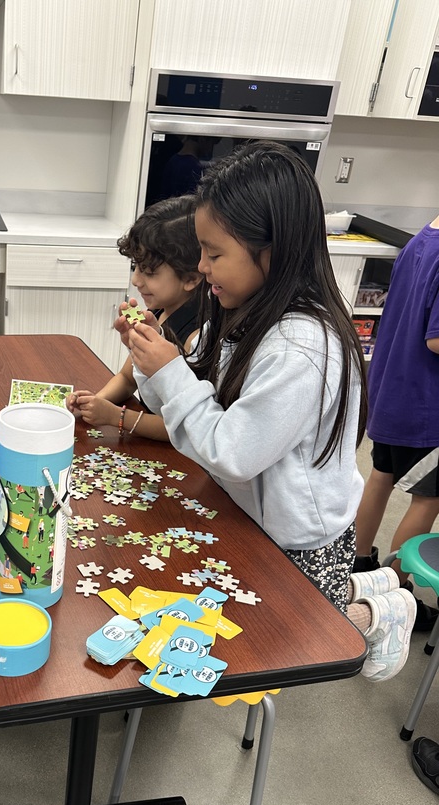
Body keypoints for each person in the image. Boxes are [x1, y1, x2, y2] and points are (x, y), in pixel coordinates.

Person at [123, 141, 417, 682]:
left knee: (292, 632)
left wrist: (167, 372)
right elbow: (192, 396)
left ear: (271, 249)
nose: (203, 267)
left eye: (214, 254)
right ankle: (354, 585)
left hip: (299, 534)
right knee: (260, 614)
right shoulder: (239, 309)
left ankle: (376, 613)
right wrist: (149, 364)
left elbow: (232, 451)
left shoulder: (301, 346)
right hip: (251, 511)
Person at [353, 214, 439, 633]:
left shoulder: (420, 239)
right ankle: (393, 598)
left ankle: (359, 565)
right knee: (427, 500)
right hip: (426, 405)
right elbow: (436, 339)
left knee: (379, 478)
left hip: (391, 388)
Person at [66, 195, 204, 441]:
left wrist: (115, 416)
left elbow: (187, 428)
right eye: (135, 267)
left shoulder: (197, 336)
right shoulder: (159, 312)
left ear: (191, 278)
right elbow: (127, 378)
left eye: (149, 272)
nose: (136, 280)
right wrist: (94, 402)